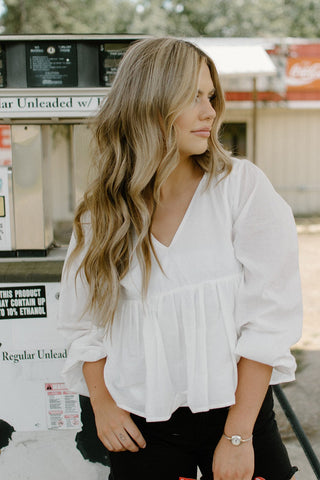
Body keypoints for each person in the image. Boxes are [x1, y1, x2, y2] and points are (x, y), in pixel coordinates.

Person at [57, 37, 302, 480]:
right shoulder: (103, 213)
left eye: (210, 96)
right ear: (149, 102)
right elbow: (83, 324)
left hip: (236, 418)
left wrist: (238, 436)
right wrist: (104, 406)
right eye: (192, 96)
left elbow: (268, 320)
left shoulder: (240, 188)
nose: (210, 111)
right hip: (141, 427)